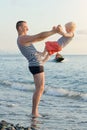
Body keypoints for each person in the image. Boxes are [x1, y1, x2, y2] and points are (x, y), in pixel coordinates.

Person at [16, 21, 60, 117]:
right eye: (25, 27)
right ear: (20, 28)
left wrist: (46, 51)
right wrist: (53, 31)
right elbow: (39, 36)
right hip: (35, 65)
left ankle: (34, 112)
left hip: (37, 64)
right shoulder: (22, 38)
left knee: (40, 88)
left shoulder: (26, 40)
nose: (28, 29)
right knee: (39, 89)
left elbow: (39, 46)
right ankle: (34, 112)